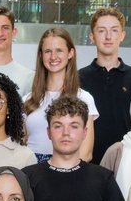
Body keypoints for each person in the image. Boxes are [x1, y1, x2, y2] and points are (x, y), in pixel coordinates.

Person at [79, 7, 131, 160]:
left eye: (114, 30)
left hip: (127, 159)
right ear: (92, 36)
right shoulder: (78, 78)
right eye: (102, 31)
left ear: (122, 35)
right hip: (87, 162)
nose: (108, 36)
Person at [23, 28, 99, 162]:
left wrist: (62, 173)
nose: (53, 57)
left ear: (70, 53)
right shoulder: (28, 100)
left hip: (69, 171)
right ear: (41, 55)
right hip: (30, 171)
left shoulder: (83, 98)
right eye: (48, 51)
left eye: (59, 50)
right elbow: (20, 146)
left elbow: (86, 154)